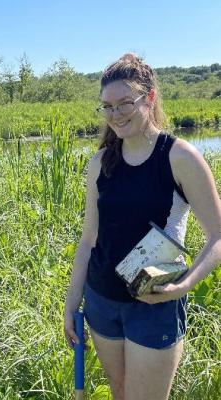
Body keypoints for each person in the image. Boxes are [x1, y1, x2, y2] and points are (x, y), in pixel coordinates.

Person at [63, 54, 221, 400]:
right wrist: (71, 302)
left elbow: (218, 236)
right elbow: (89, 239)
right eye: (107, 107)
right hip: (102, 301)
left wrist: (184, 286)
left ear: (149, 98)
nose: (115, 115)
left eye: (124, 104)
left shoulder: (179, 157)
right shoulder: (101, 162)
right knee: (120, 393)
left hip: (153, 303)